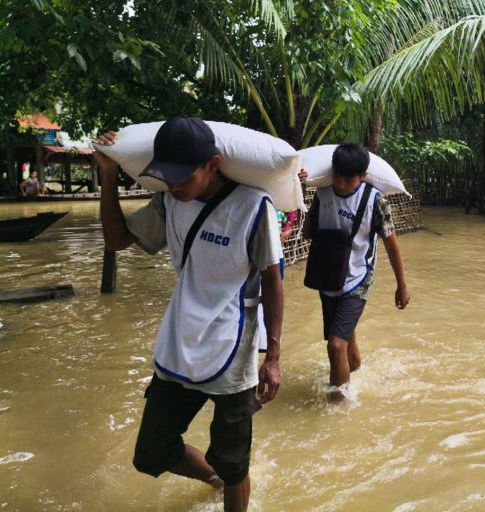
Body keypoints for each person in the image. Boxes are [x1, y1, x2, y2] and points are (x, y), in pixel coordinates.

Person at [93, 116, 283, 512]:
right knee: (151, 453)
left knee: (234, 464)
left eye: (183, 176)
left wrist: (274, 356)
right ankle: (211, 477)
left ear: (212, 164)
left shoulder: (253, 207)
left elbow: (272, 280)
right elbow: (116, 240)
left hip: (234, 347)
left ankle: (227, 481)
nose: (174, 185)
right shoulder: (168, 202)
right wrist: (107, 176)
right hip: (180, 340)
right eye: (167, 176)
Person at [302, 143, 410, 400]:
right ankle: (357, 371)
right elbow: (307, 233)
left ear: (363, 176)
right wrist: (301, 194)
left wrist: (402, 285)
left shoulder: (376, 201)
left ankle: (338, 404)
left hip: (358, 278)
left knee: (335, 344)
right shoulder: (323, 193)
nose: (340, 183)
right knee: (345, 336)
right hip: (328, 275)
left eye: (348, 179)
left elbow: (391, 245)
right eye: (336, 176)